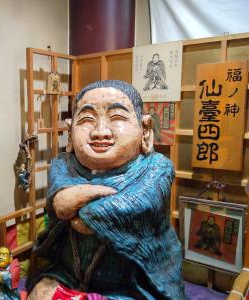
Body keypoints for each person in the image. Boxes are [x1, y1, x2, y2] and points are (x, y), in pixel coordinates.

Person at [27, 80, 184, 299]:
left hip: (133, 283)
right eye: (87, 119)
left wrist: (85, 205)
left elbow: (127, 208)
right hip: (68, 272)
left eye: (117, 118)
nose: (100, 132)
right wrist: (96, 195)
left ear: (145, 129)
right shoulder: (63, 164)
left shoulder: (157, 167)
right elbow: (62, 205)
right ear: (70, 131)